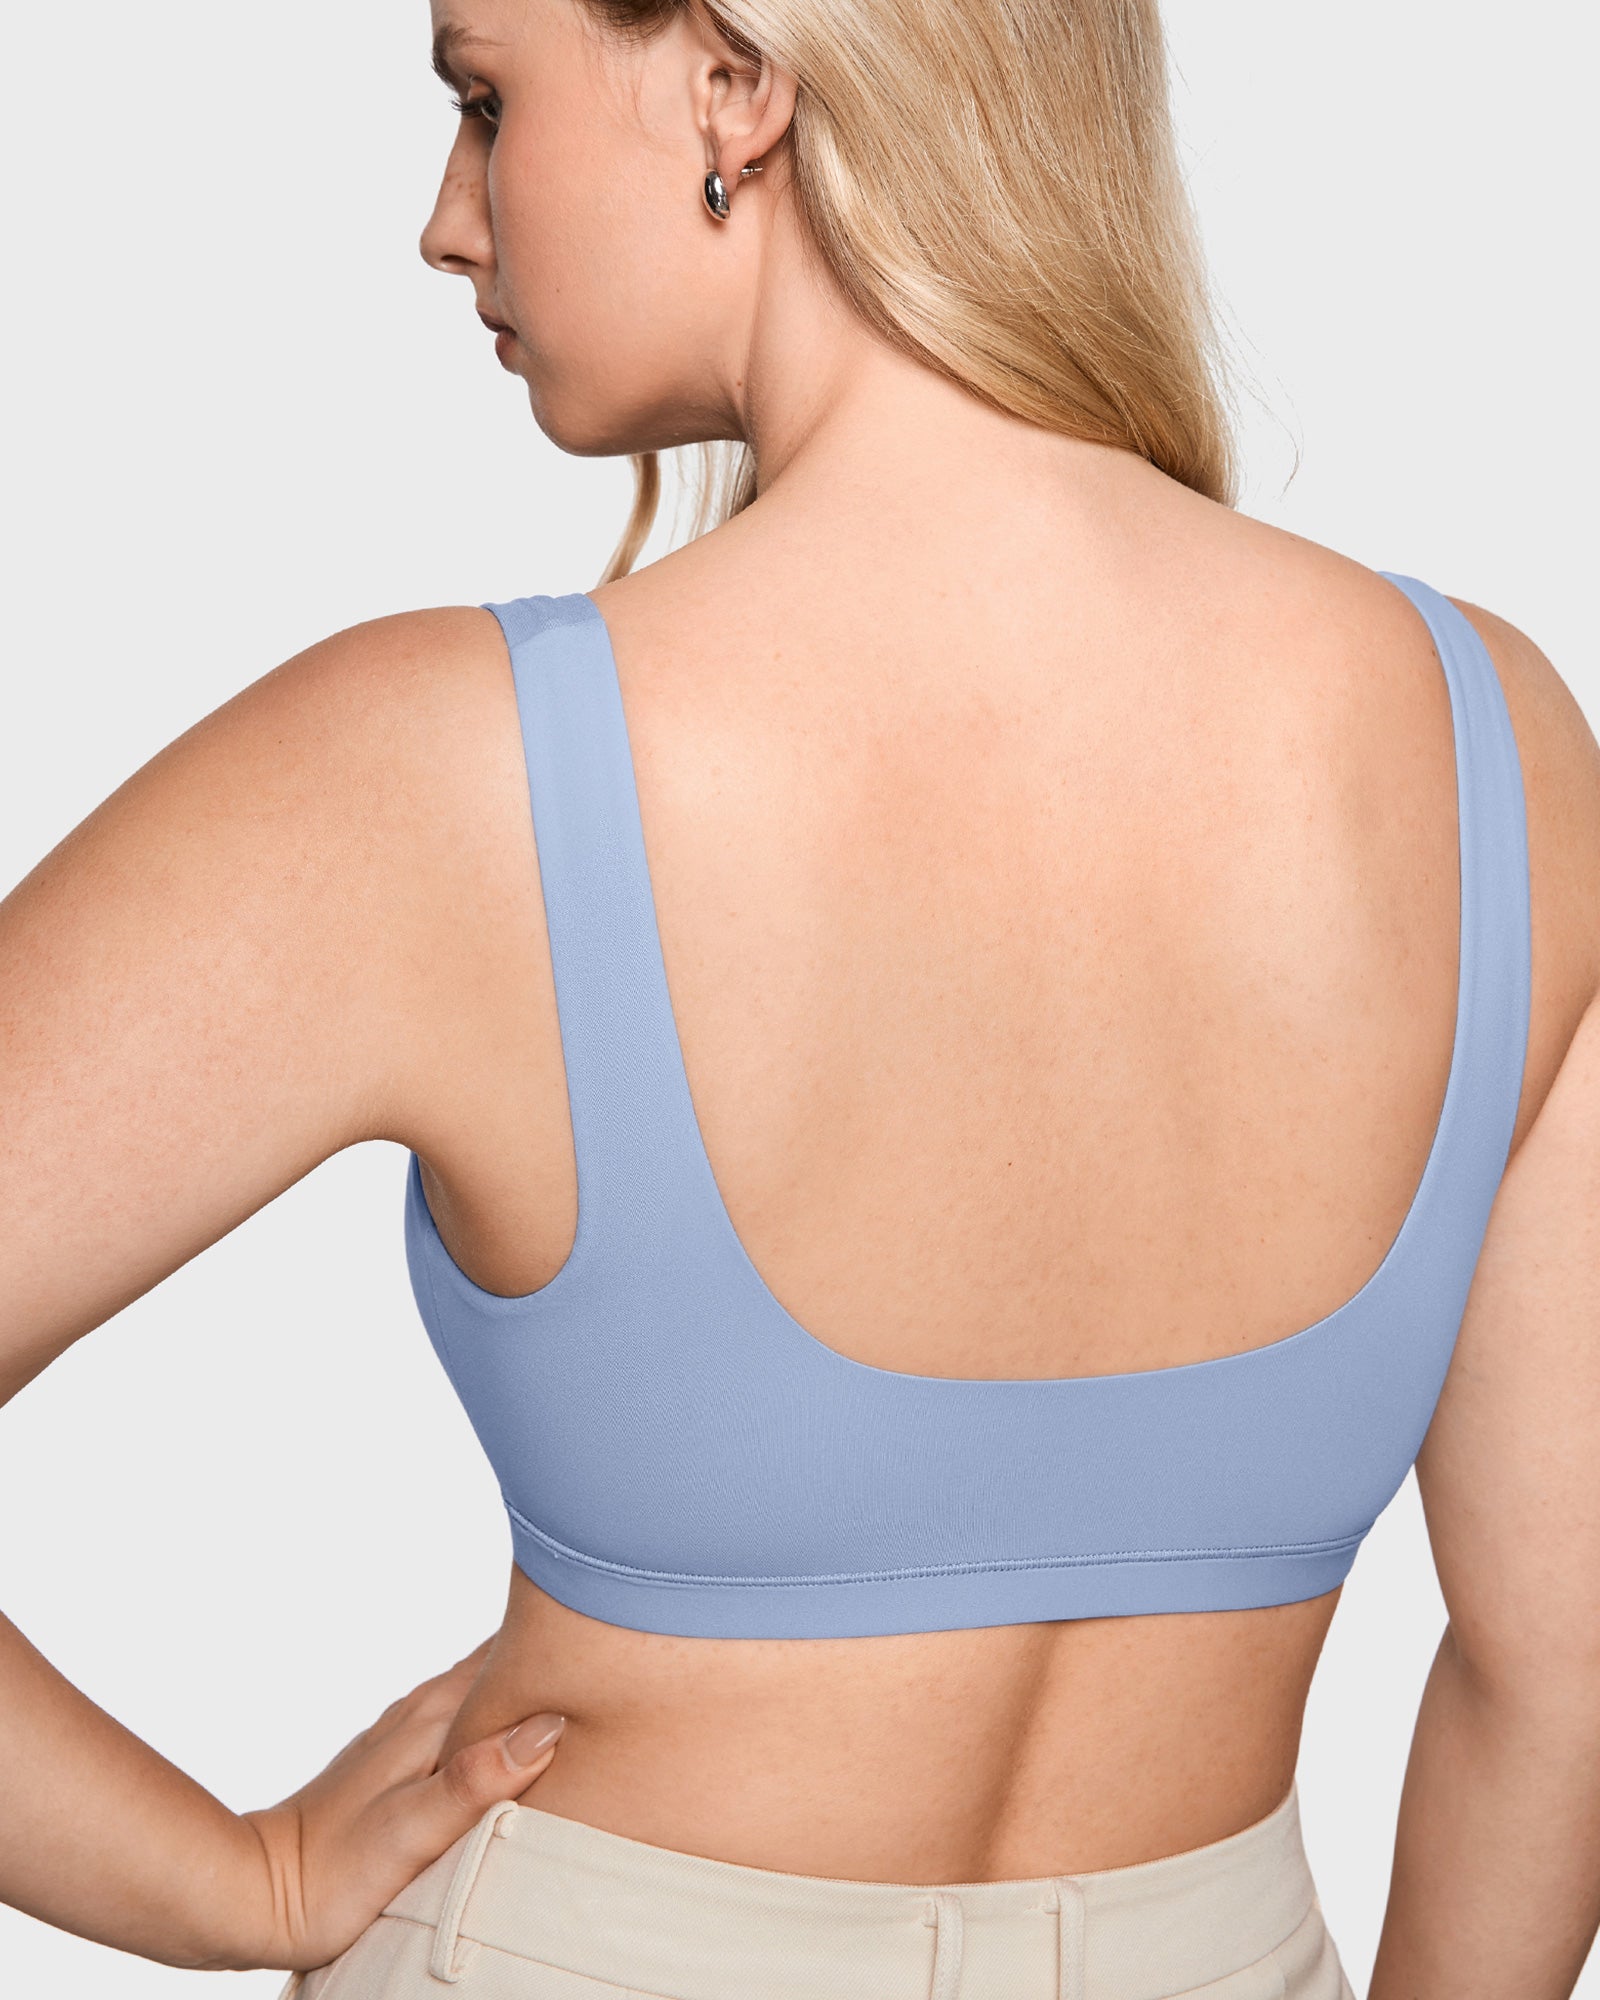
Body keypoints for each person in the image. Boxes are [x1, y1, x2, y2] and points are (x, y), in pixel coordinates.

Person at [3, 0, 1599, 1994]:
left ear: (738, 82)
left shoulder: (445, 770)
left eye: (484, 98)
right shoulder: (1497, 750)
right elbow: (1559, 1670)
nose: (446, 216)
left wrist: (234, 1885)